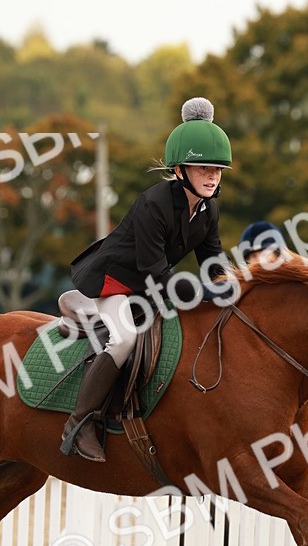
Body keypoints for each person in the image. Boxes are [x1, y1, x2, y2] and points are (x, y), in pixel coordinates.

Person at [62, 96, 234, 461]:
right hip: (117, 281)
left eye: (217, 170)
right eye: (203, 169)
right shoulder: (154, 203)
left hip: (149, 284)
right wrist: (199, 290)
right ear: (179, 172)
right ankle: (80, 423)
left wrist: (231, 286)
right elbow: (155, 271)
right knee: (123, 339)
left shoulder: (209, 210)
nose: (212, 176)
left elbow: (213, 259)